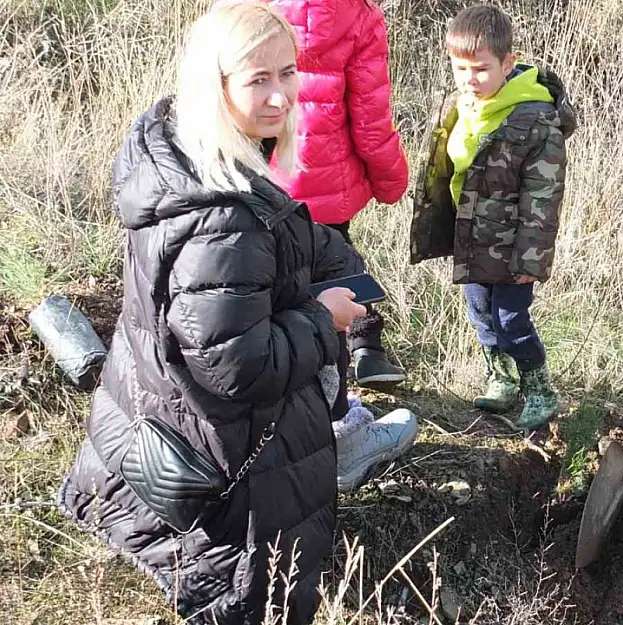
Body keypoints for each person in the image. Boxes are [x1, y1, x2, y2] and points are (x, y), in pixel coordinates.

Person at [58, 3, 414, 623]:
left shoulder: (185, 148)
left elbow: (266, 249)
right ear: (215, 83)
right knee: (258, 596)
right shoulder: (224, 218)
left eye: (288, 72)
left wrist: (330, 256)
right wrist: (322, 319)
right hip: (226, 450)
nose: (281, 96)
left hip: (163, 409)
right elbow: (239, 365)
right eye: (258, 79)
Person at [409, 4, 578, 430]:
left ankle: (539, 388)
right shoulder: (458, 106)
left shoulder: (535, 120)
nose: (470, 79)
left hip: (513, 244)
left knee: (511, 318)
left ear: (507, 62)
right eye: (460, 68)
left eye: (481, 69)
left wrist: (530, 261)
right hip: (471, 236)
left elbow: (543, 197)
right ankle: (502, 379)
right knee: (480, 312)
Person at [267, 0, 410, 390]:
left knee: (270, 281)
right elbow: (371, 120)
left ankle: (294, 378)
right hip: (328, 185)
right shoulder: (359, 14)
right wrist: (391, 181)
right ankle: (359, 360)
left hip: (265, 178)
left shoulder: (251, 7)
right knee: (338, 269)